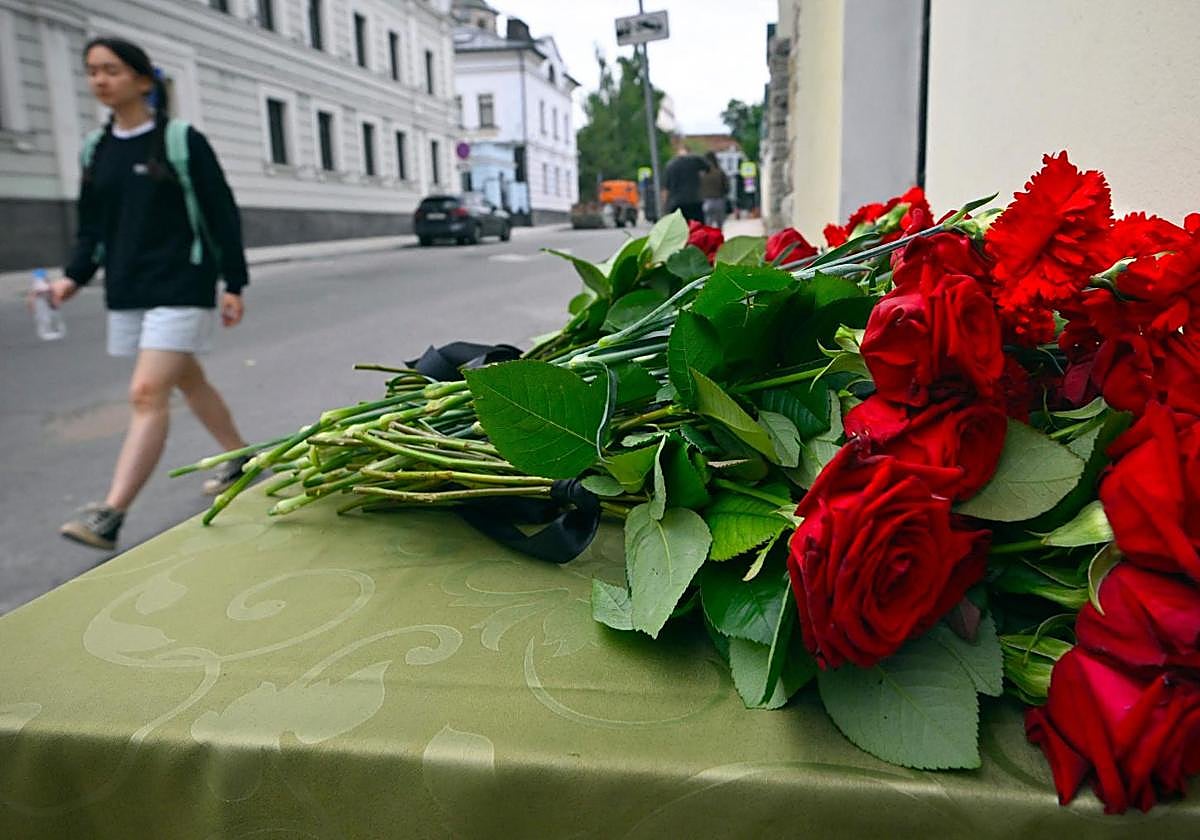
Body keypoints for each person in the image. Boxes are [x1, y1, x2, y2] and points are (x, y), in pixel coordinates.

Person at [50, 37, 250, 550]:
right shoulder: (97, 149)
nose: (99, 80)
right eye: (92, 71)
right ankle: (242, 456)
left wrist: (234, 282)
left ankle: (111, 513)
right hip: (128, 287)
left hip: (182, 283)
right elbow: (92, 226)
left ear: (142, 80)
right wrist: (72, 276)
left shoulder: (180, 140)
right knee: (188, 381)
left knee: (146, 393)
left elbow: (221, 213)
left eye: (111, 70)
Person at [661, 148, 707, 223]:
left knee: (679, 230)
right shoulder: (695, 161)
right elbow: (707, 167)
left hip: (677, 203)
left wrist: (665, 206)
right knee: (697, 228)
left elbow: (666, 189)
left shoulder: (670, 165)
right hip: (694, 201)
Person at [699, 151, 730, 230]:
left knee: (707, 225)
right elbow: (726, 187)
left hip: (706, 201)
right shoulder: (720, 172)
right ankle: (719, 241)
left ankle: (708, 241)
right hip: (719, 200)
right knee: (720, 226)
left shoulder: (701, 174)